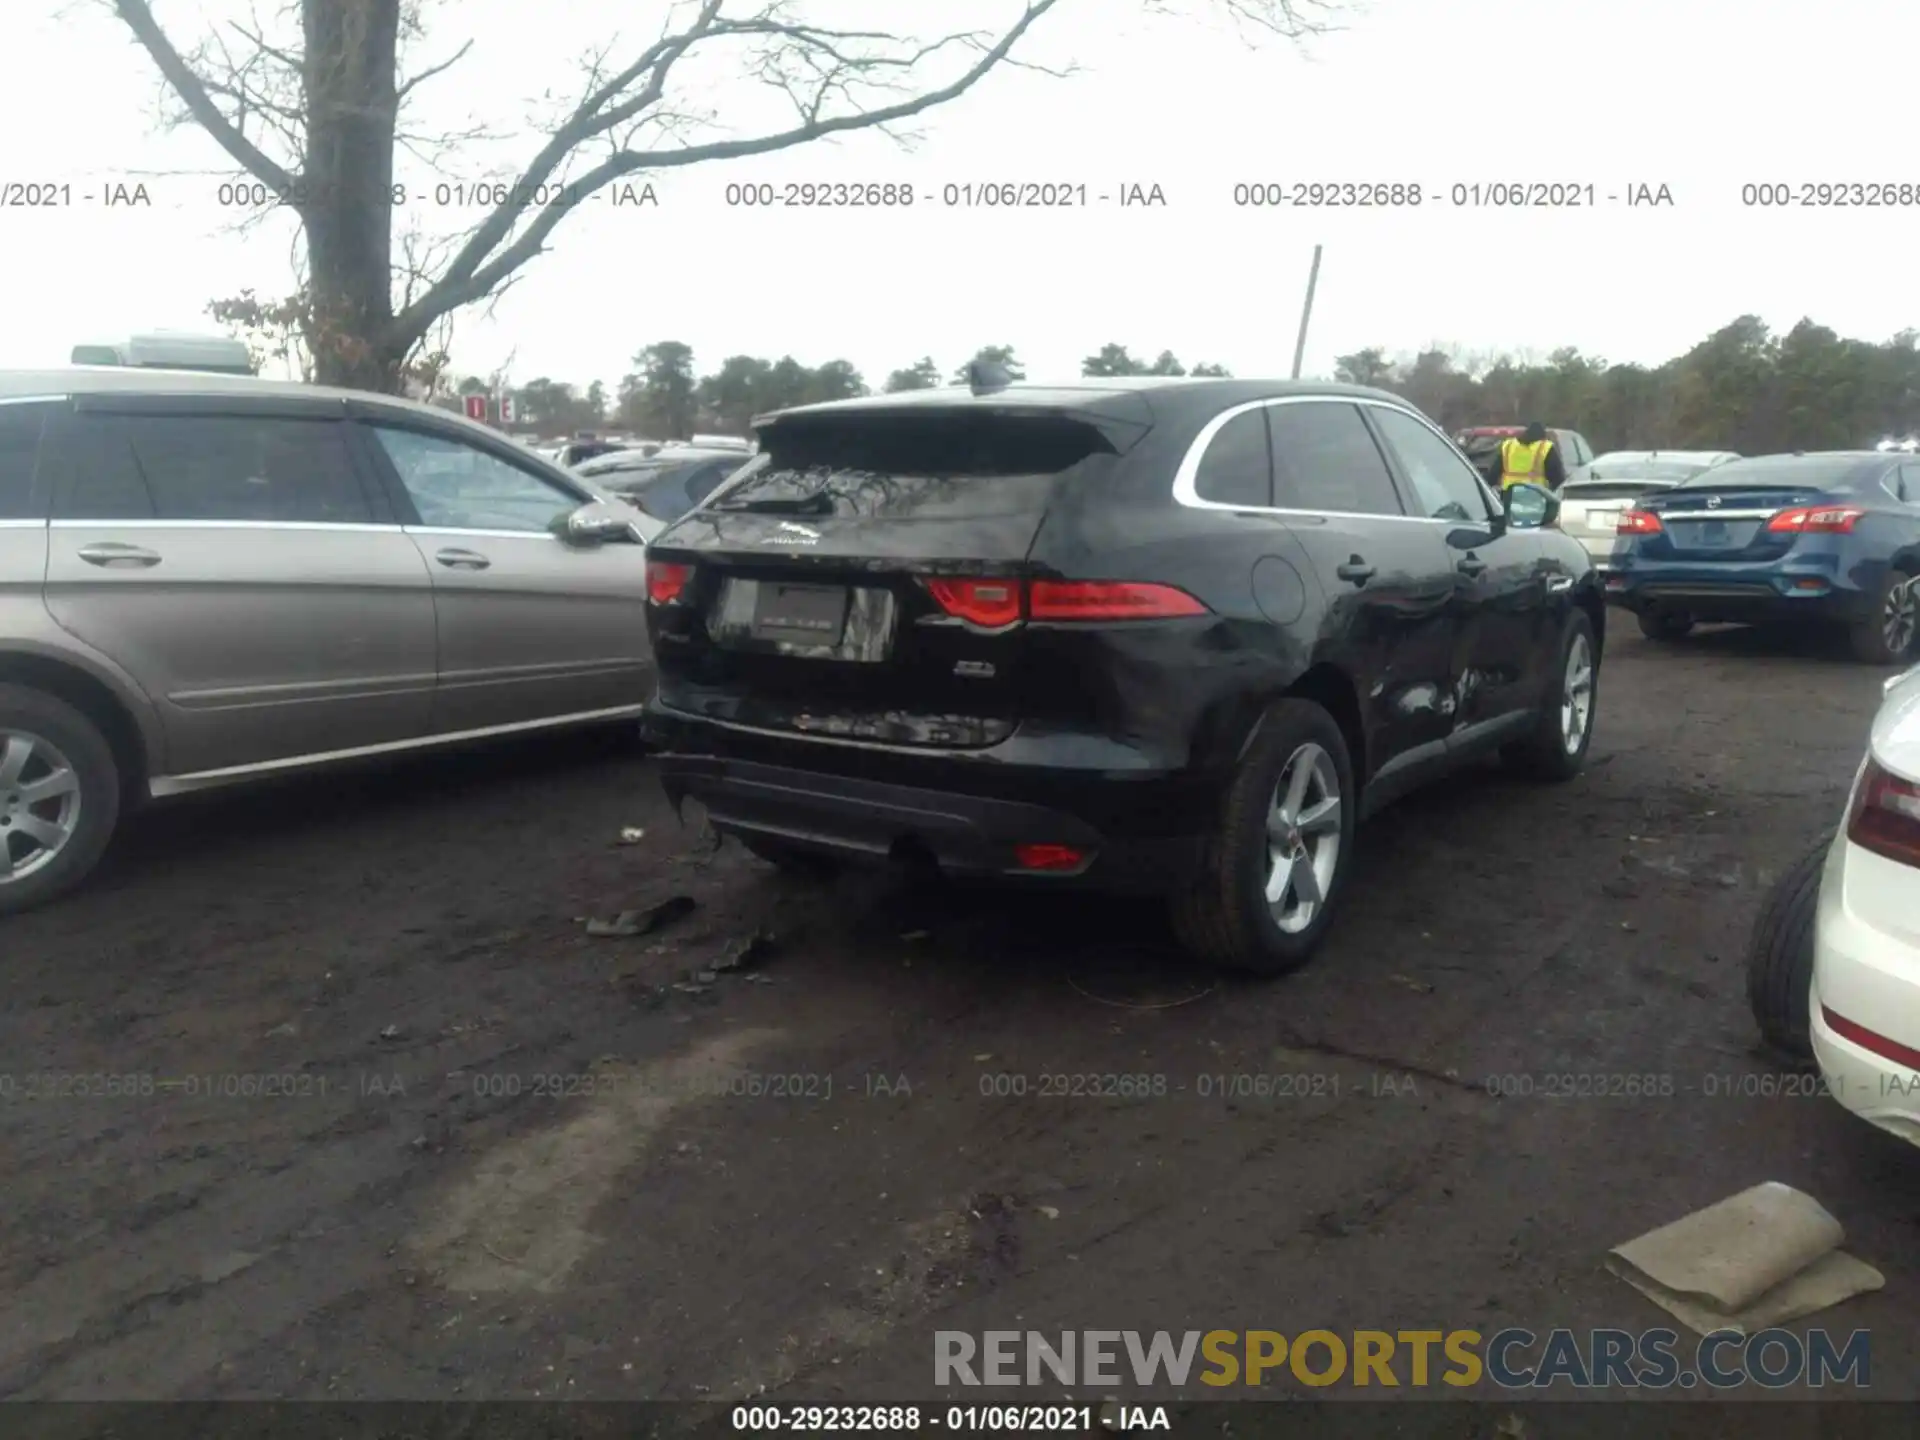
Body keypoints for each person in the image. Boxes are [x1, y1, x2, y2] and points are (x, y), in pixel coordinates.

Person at [1494, 422, 1567, 492]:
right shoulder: (1545, 448)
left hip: (1508, 497)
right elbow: (1558, 478)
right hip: (1535, 497)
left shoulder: (1508, 446)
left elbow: (1492, 474)